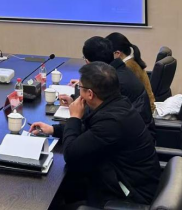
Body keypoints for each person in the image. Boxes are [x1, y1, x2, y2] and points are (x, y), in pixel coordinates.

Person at [31, 62, 160, 207]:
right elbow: (90, 130)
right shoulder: (118, 104)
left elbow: (71, 154)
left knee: (56, 198)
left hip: (129, 194)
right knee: (68, 185)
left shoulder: (112, 122)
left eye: (80, 88)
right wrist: (53, 130)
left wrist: (74, 117)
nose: (79, 92)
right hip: (122, 177)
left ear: (90, 94)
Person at [66, 36, 154, 135]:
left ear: (88, 63)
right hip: (134, 132)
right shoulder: (119, 71)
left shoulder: (113, 82)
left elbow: (92, 116)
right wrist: (76, 100)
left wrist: (75, 110)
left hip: (129, 137)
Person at [107, 32, 156, 114]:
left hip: (144, 111)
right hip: (145, 107)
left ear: (117, 53)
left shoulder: (126, 67)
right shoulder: (132, 61)